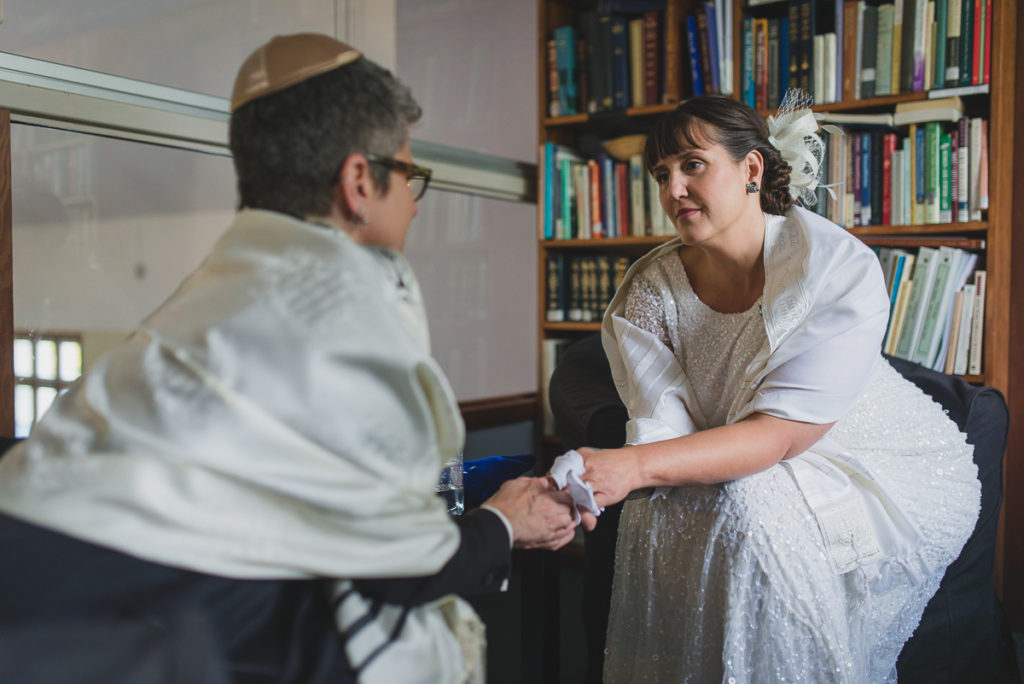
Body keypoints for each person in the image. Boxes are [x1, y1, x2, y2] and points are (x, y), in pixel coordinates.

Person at [0, 33, 576, 684]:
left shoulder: (217, 287)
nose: (414, 204)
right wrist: (504, 524)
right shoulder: (342, 316)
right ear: (360, 181)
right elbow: (402, 566)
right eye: (410, 176)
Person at [570, 93, 981, 682]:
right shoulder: (648, 291)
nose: (674, 190)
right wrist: (624, 474)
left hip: (860, 454)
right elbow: (664, 427)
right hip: (734, 442)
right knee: (656, 514)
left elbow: (778, 435)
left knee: (748, 508)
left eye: (692, 165)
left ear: (751, 170)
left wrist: (632, 469)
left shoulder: (832, 266)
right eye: (662, 175)